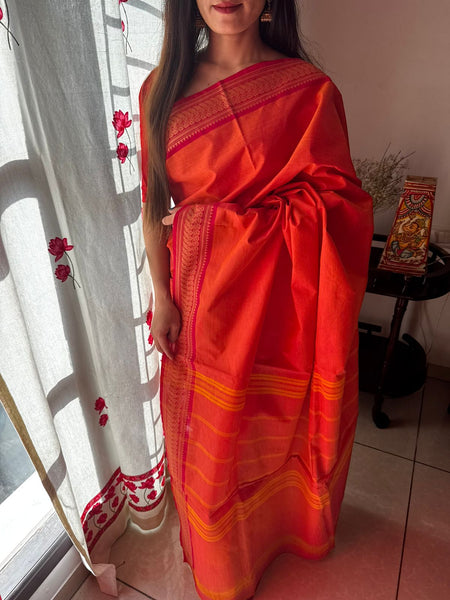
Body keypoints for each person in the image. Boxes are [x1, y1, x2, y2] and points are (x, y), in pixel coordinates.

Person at [139, 1, 373, 599]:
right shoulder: (161, 91)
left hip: (283, 316)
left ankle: (282, 532)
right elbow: (154, 207)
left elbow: (342, 211)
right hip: (201, 309)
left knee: (271, 429)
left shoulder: (310, 93)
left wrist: (222, 227)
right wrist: (161, 296)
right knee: (212, 450)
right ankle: (223, 571)